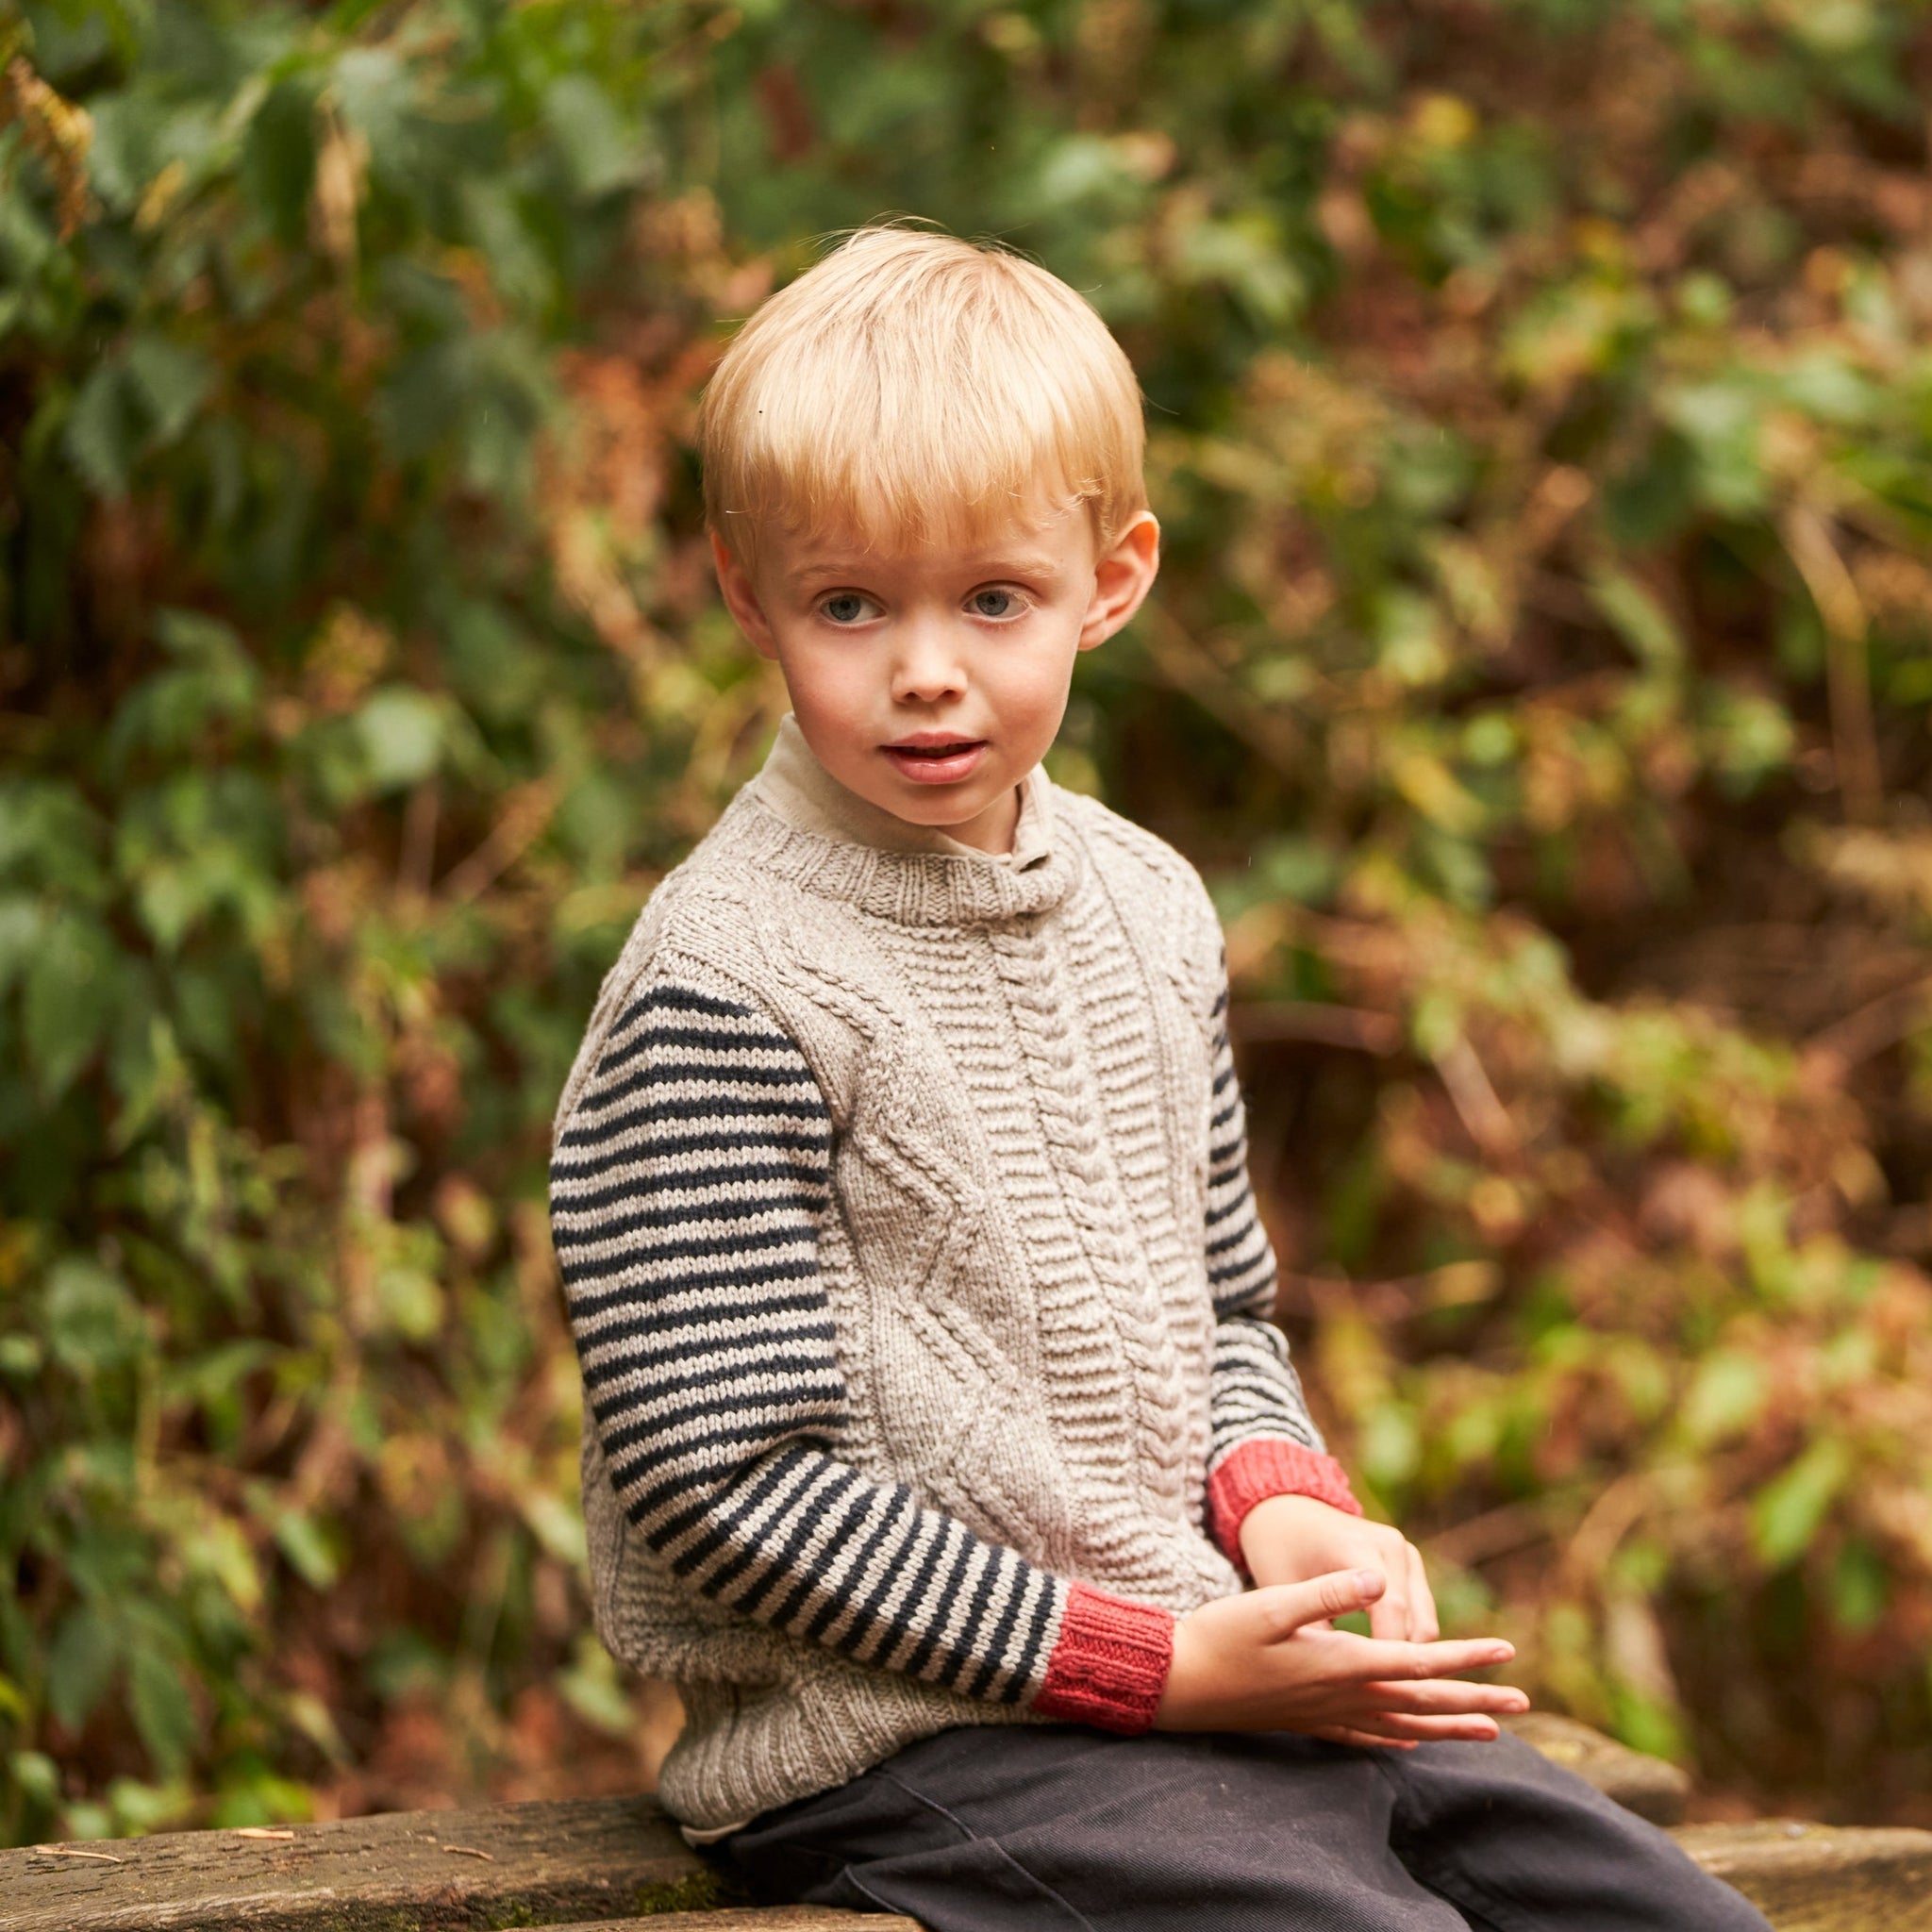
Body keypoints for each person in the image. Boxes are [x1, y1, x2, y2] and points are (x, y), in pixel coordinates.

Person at [547, 225, 1771, 1931]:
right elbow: (724, 1489)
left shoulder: (1145, 906)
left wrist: (1283, 1516)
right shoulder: (726, 985)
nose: (924, 667)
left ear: (1110, 583)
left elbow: (1226, 1313)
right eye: (849, 605)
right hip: (916, 1739)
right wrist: (1159, 1667)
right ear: (749, 595)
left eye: (993, 599)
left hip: (1205, 1668)